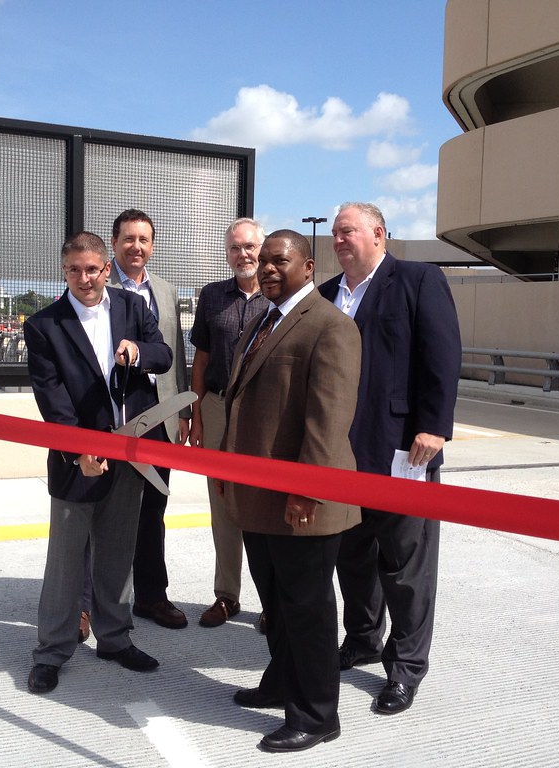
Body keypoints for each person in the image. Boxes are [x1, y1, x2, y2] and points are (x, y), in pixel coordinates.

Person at [218, 229, 361, 753]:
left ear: (309, 265)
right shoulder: (264, 318)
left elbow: (327, 422)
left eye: (282, 261)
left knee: (308, 608)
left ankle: (317, 714)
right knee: (275, 604)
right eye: (266, 261)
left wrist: (308, 490)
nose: (270, 269)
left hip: (303, 502)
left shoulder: (330, 327)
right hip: (259, 498)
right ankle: (281, 682)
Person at [318, 202, 461, 715]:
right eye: (335, 232)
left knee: (406, 566)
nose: (338, 240)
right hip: (342, 455)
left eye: (347, 231)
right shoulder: (326, 295)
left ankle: (405, 668)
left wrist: (434, 426)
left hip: (404, 449)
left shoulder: (418, 280)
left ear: (378, 233)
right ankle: (361, 638)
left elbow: (442, 354)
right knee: (351, 556)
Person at [23, 231, 173, 695]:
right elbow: (53, 398)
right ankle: (52, 651)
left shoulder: (132, 308)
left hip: (129, 454)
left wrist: (138, 352)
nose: (84, 278)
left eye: (92, 269)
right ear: (63, 271)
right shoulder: (44, 325)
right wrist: (77, 451)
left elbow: (164, 357)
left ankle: (113, 638)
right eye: (74, 270)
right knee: (66, 563)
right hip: (78, 459)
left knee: (117, 555)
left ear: (107, 268)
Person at [107, 208, 191, 629]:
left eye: (144, 239)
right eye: (128, 239)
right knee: (105, 512)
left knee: (153, 511)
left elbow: (175, 356)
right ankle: (96, 601)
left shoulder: (165, 289)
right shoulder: (96, 288)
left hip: (162, 419)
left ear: (152, 245)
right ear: (114, 243)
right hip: (115, 415)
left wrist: (185, 413)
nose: (136, 246)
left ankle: (151, 596)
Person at [188, 217, 267, 628]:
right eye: (235, 248)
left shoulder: (279, 298)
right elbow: (200, 360)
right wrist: (197, 415)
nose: (243, 255)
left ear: (263, 248)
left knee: (264, 504)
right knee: (222, 505)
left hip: (262, 414)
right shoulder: (212, 297)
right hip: (217, 407)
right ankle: (226, 596)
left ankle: (273, 601)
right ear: (227, 253)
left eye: (249, 246)